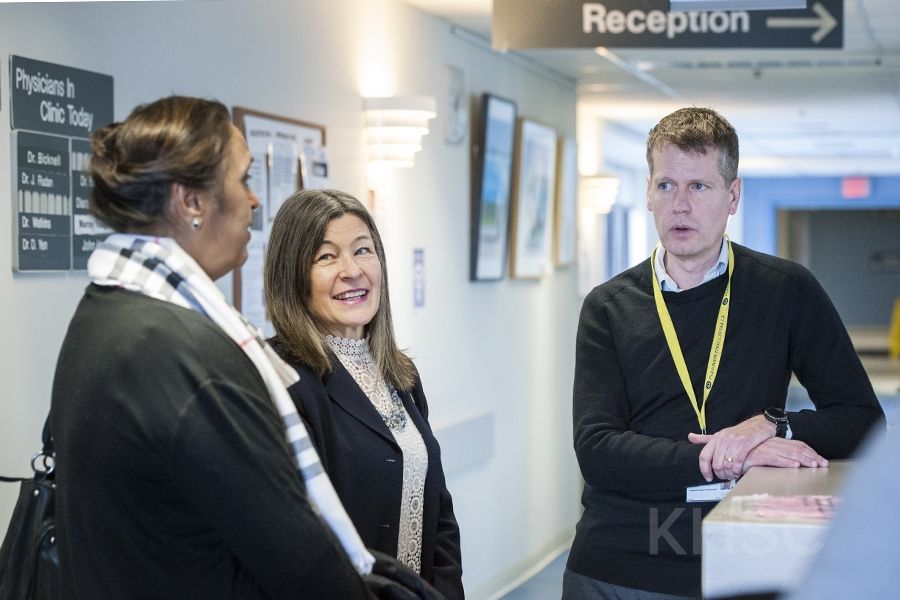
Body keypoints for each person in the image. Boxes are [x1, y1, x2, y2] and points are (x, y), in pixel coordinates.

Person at [50, 96, 431, 599]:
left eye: (363, 251)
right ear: (192, 202)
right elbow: (293, 554)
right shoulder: (180, 352)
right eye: (244, 179)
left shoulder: (106, 311)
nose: (254, 201)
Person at [565, 107, 885, 599]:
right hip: (619, 566)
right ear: (648, 192)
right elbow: (598, 451)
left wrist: (771, 426)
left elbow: (862, 421)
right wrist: (729, 457)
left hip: (745, 554)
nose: (680, 206)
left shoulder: (785, 290)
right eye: (667, 185)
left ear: (732, 196)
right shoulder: (608, 307)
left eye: (699, 186)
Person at [264, 189, 464, 600]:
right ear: (292, 274)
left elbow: (438, 510)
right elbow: (299, 539)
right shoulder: (281, 378)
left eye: (362, 250)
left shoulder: (401, 374)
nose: (352, 270)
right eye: (326, 257)